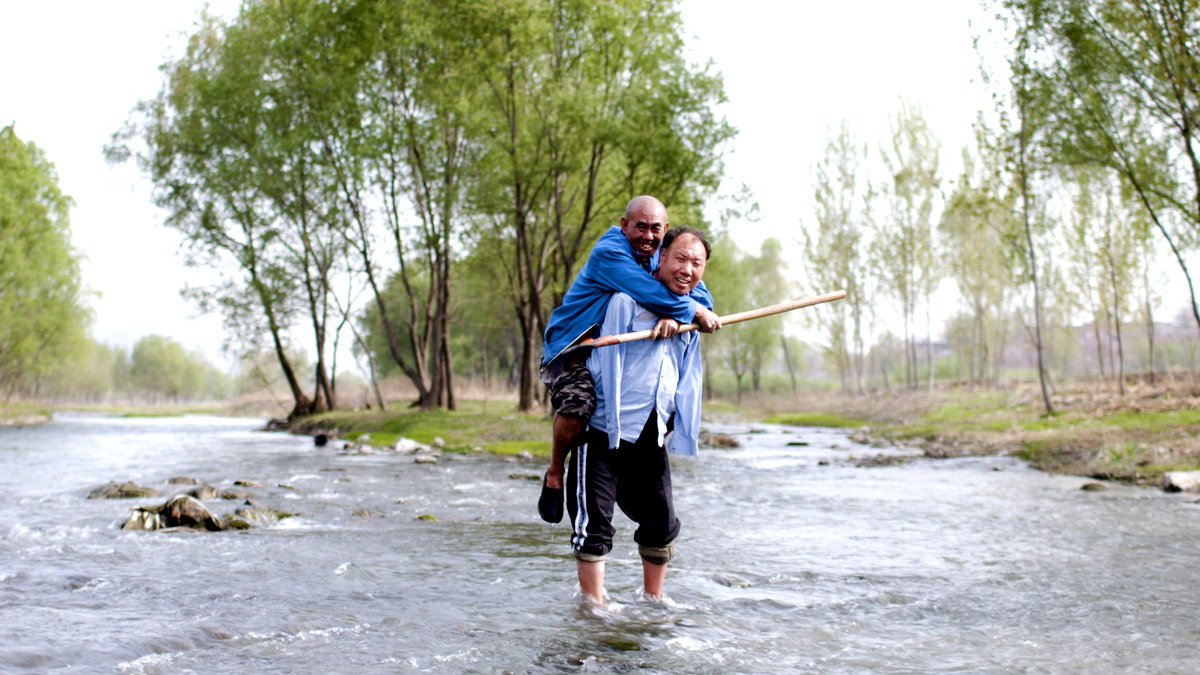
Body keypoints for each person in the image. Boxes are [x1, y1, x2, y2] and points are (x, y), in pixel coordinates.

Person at [538, 196, 720, 524]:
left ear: (664, 232)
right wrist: (690, 310)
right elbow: (653, 294)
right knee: (579, 404)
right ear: (624, 226)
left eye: (655, 229)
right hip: (574, 349)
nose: (647, 236)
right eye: (640, 227)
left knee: (659, 411)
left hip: (610, 351)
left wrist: (679, 316)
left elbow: (700, 293)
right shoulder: (610, 254)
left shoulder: (660, 255)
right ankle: (554, 471)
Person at [566, 227, 712, 606]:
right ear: (661, 257)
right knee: (594, 523)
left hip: (652, 430)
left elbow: (688, 370)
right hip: (604, 428)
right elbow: (606, 363)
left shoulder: (692, 312)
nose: (687, 269)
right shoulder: (624, 301)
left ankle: (653, 602)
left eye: (697, 263)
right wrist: (668, 313)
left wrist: (679, 318)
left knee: (661, 521)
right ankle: (593, 609)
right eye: (680, 258)